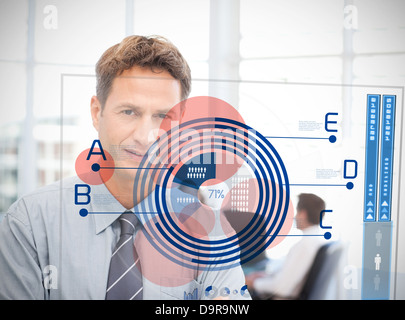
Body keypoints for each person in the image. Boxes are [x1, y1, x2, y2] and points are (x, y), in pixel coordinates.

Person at [0, 35, 249, 300]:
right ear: (97, 113)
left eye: (163, 116)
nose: (145, 136)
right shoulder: (30, 223)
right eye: (129, 112)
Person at [245, 193, 328, 299]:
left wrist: (252, 283)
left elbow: (282, 288)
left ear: (303, 214)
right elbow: (289, 275)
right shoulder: (316, 242)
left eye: (297, 212)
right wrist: (266, 276)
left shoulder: (304, 246)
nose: (295, 217)